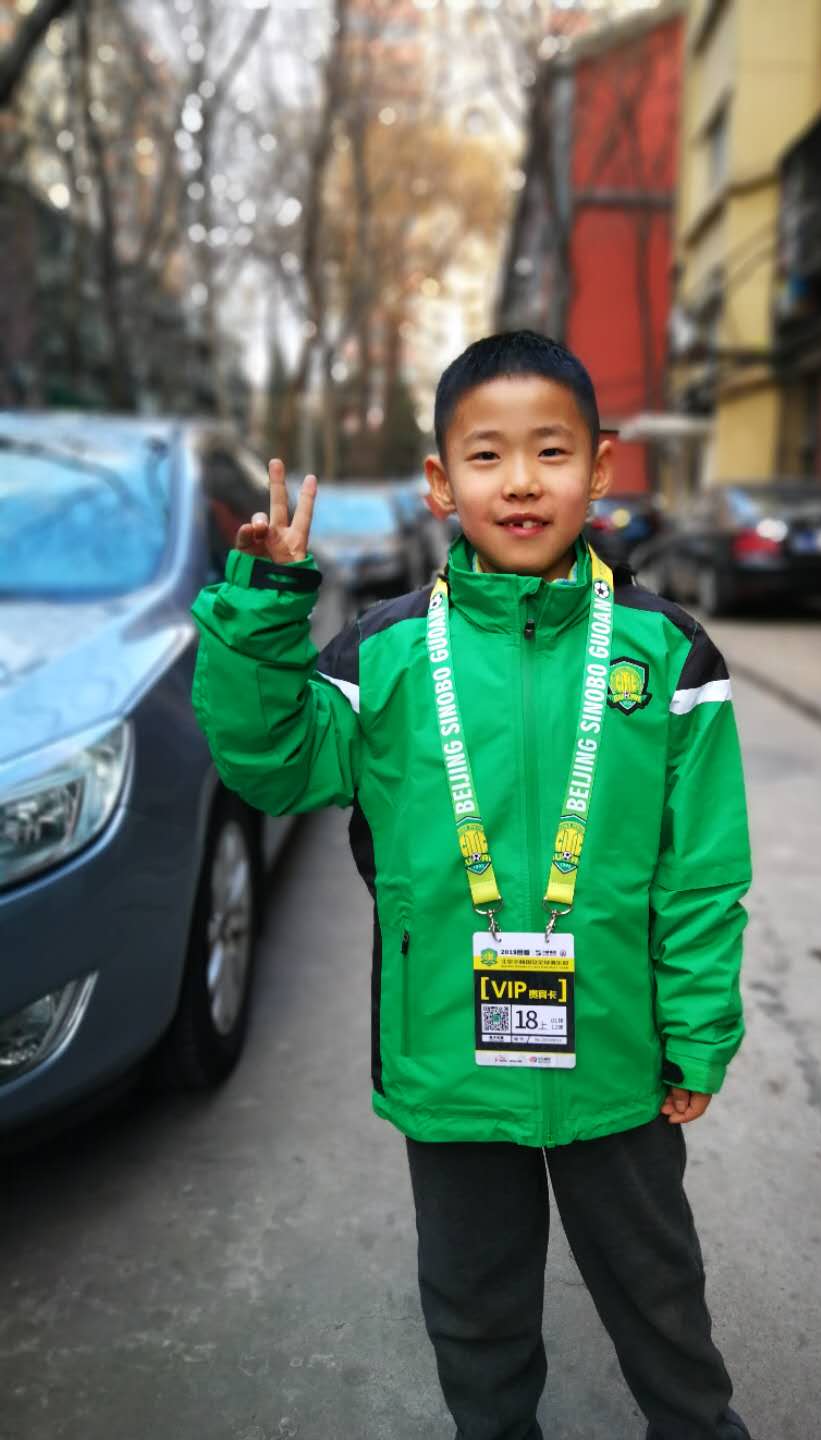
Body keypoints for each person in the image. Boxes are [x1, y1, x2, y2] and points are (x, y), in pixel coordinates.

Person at [190, 330, 753, 1440]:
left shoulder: (669, 656)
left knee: (658, 1290)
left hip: (618, 1053)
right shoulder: (385, 656)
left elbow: (701, 873)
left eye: (552, 451)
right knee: (475, 1305)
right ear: (442, 484)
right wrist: (262, 605)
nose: (522, 481)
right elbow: (275, 763)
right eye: (487, 455)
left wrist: (697, 1032)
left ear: (600, 467)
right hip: (451, 1050)